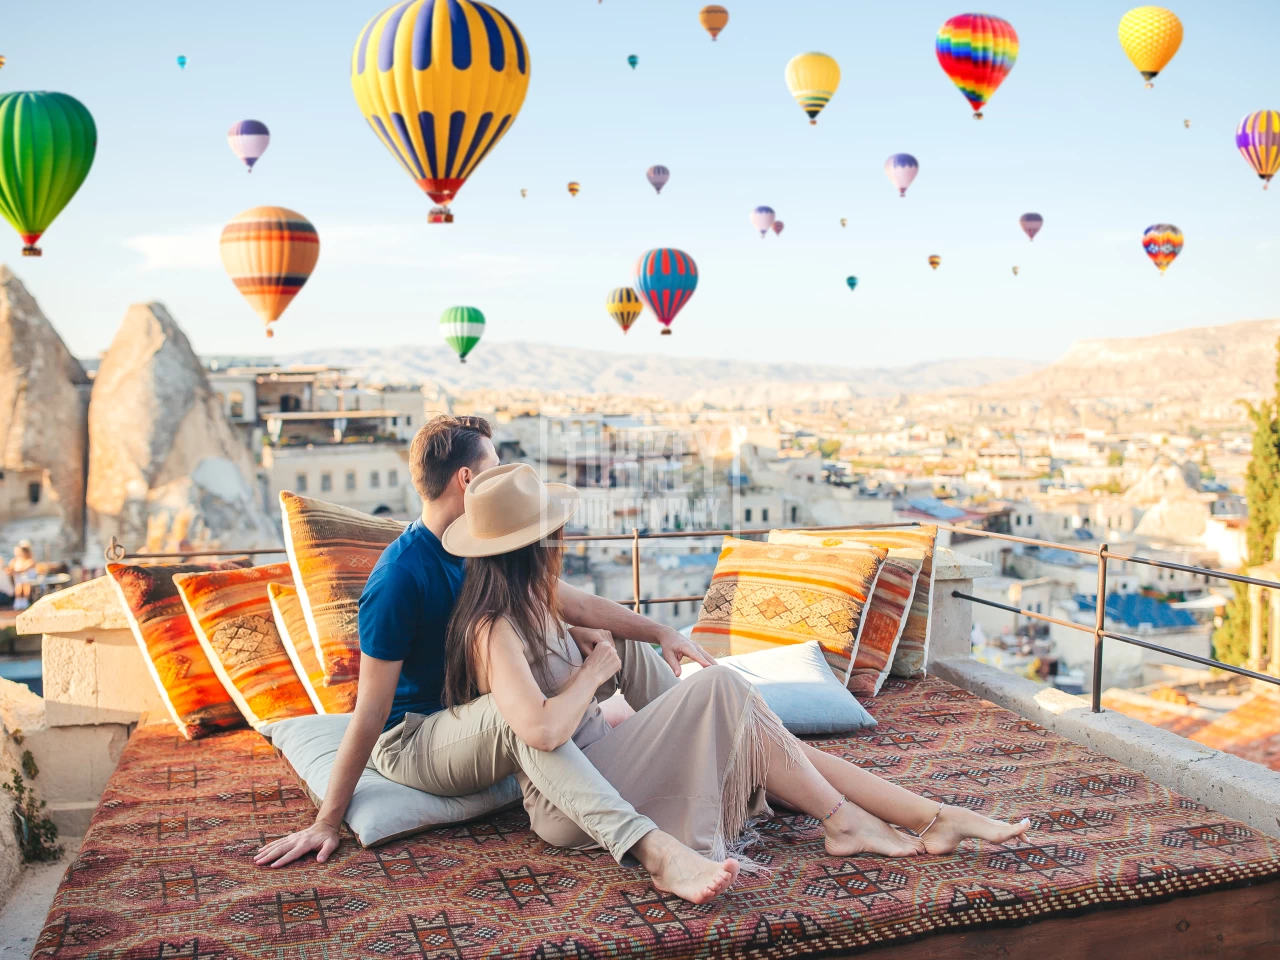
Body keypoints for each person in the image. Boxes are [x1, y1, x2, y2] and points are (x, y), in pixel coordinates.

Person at [438, 463, 1032, 892]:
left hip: (611, 758)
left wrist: (662, 634)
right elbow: (540, 732)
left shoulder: (536, 593)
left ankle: (924, 815)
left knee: (755, 728)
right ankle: (848, 820)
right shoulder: (494, 629)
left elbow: (595, 610)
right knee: (724, 690)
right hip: (575, 803)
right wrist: (594, 672)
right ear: (538, 544)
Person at [256, 416, 737, 904]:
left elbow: (576, 603)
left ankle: (728, 752)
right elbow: (372, 712)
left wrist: (661, 631)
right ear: (468, 479)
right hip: (417, 737)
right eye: (495, 464)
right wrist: (327, 820)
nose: (503, 472)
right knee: (518, 718)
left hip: (482, 713)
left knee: (610, 642)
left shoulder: (482, 544)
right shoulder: (399, 577)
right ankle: (656, 852)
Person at [5, 542, 36, 611]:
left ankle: (25, 601)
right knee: (19, 585)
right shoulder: (15, 561)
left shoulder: (30, 561)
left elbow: (24, 570)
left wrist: (15, 572)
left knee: (25, 584)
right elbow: (10, 569)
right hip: (19, 580)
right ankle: (18, 601)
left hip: (29, 580)